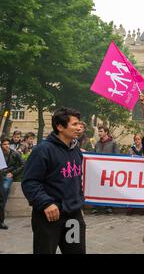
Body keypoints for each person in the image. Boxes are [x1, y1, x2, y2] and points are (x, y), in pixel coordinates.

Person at [21, 107, 86, 254]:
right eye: (74, 124)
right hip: (49, 217)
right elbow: (30, 182)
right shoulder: (43, 150)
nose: (79, 127)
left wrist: (78, 200)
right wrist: (46, 203)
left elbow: (76, 179)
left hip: (73, 218)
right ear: (60, 127)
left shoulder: (76, 150)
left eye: (79, 124)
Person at [92, 126, 120, 214]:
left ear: (106, 132)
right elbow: (94, 155)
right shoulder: (97, 144)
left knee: (109, 188)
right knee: (97, 188)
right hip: (98, 170)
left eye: (101, 131)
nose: (99, 133)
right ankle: (96, 207)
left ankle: (109, 206)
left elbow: (117, 156)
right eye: (99, 131)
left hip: (109, 170)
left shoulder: (113, 143)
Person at [1, 138, 24, 202]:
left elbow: (23, 165)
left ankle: (2, 208)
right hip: (1, 174)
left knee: (5, 188)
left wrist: (13, 173)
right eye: (4, 144)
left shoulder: (15, 153)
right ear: (1, 145)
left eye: (8, 144)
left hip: (7, 175)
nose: (7, 145)